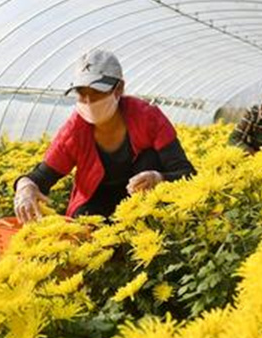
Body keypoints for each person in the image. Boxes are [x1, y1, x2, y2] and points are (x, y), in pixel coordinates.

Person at [14, 49, 196, 223]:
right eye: (81, 94)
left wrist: (159, 179)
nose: (88, 102)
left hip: (144, 202)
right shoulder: (74, 131)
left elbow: (187, 174)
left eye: (97, 93)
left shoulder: (148, 117)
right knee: (84, 226)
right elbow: (40, 177)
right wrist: (25, 188)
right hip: (95, 207)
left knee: (149, 157)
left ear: (119, 89)